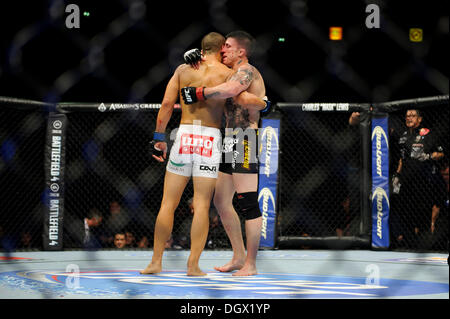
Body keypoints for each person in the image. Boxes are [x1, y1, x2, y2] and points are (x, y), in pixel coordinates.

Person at [140, 32, 266, 276]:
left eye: (230, 47)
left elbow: (168, 105)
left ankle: (157, 261)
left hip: (219, 137)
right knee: (211, 202)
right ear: (219, 50)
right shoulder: (224, 70)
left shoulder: (188, 70)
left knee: (171, 202)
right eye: (224, 47)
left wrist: (159, 137)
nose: (226, 51)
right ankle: (201, 264)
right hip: (215, 139)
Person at [182, 31, 268, 276]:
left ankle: (251, 264)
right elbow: (210, 69)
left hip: (245, 139)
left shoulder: (247, 70)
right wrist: (195, 56)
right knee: (220, 200)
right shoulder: (229, 71)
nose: (223, 50)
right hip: (230, 139)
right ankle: (239, 256)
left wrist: (199, 92)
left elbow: (230, 89)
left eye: (228, 47)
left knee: (248, 203)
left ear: (241, 51)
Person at [393, 109, 444, 249]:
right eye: (407, 116)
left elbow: (441, 153)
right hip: (407, 180)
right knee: (405, 211)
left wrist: (428, 156)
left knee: (422, 212)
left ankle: (425, 244)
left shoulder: (427, 133)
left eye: (413, 116)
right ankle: (409, 243)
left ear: (420, 119)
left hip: (423, 179)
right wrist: (397, 175)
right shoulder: (402, 136)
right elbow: (401, 158)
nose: (409, 118)